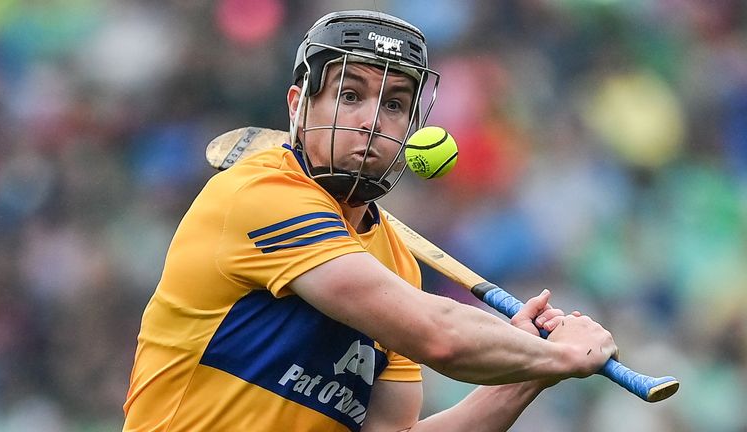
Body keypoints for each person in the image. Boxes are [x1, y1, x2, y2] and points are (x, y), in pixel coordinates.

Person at [123, 10, 617, 432]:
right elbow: (437, 335)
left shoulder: (397, 265)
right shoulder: (262, 195)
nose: (373, 119)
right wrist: (559, 355)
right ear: (299, 105)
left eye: (396, 104)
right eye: (350, 94)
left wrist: (531, 371)